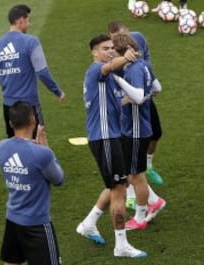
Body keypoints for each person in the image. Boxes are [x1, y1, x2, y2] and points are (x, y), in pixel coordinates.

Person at [75, 34, 147, 258]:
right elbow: (110, 67)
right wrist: (125, 58)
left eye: (112, 49)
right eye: (105, 48)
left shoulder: (108, 78)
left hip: (110, 137)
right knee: (119, 191)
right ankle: (121, 245)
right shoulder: (97, 70)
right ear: (94, 52)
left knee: (118, 184)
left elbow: (118, 99)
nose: (109, 52)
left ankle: (89, 223)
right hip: (105, 138)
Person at [107, 22, 166, 217]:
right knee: (132, 171)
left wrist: (120, 84)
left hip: (134, 129)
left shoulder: (131, 70)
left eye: (113, 52)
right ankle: (150, 203)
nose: (111, 56)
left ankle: (147, 209)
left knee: (134, 174)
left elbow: (139, 96)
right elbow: (157, 89)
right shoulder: (144, 66)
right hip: (141, 125)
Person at [0, 101, 64, 265]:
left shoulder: (1, 147)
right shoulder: (42, 154)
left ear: (11, 123)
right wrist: (47, 148)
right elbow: (59, 179)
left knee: (11, 262)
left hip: (12, 219)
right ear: (33, 120)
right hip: (37, 223)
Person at [0, 4, 65, 138]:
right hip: (29, 106)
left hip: (9, 108)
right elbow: (42, 71)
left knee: (15, 144)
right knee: (38, 143)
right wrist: (57, 91)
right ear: (20, 20)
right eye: (28, 21)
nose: (29, 24)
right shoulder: (31, 42)